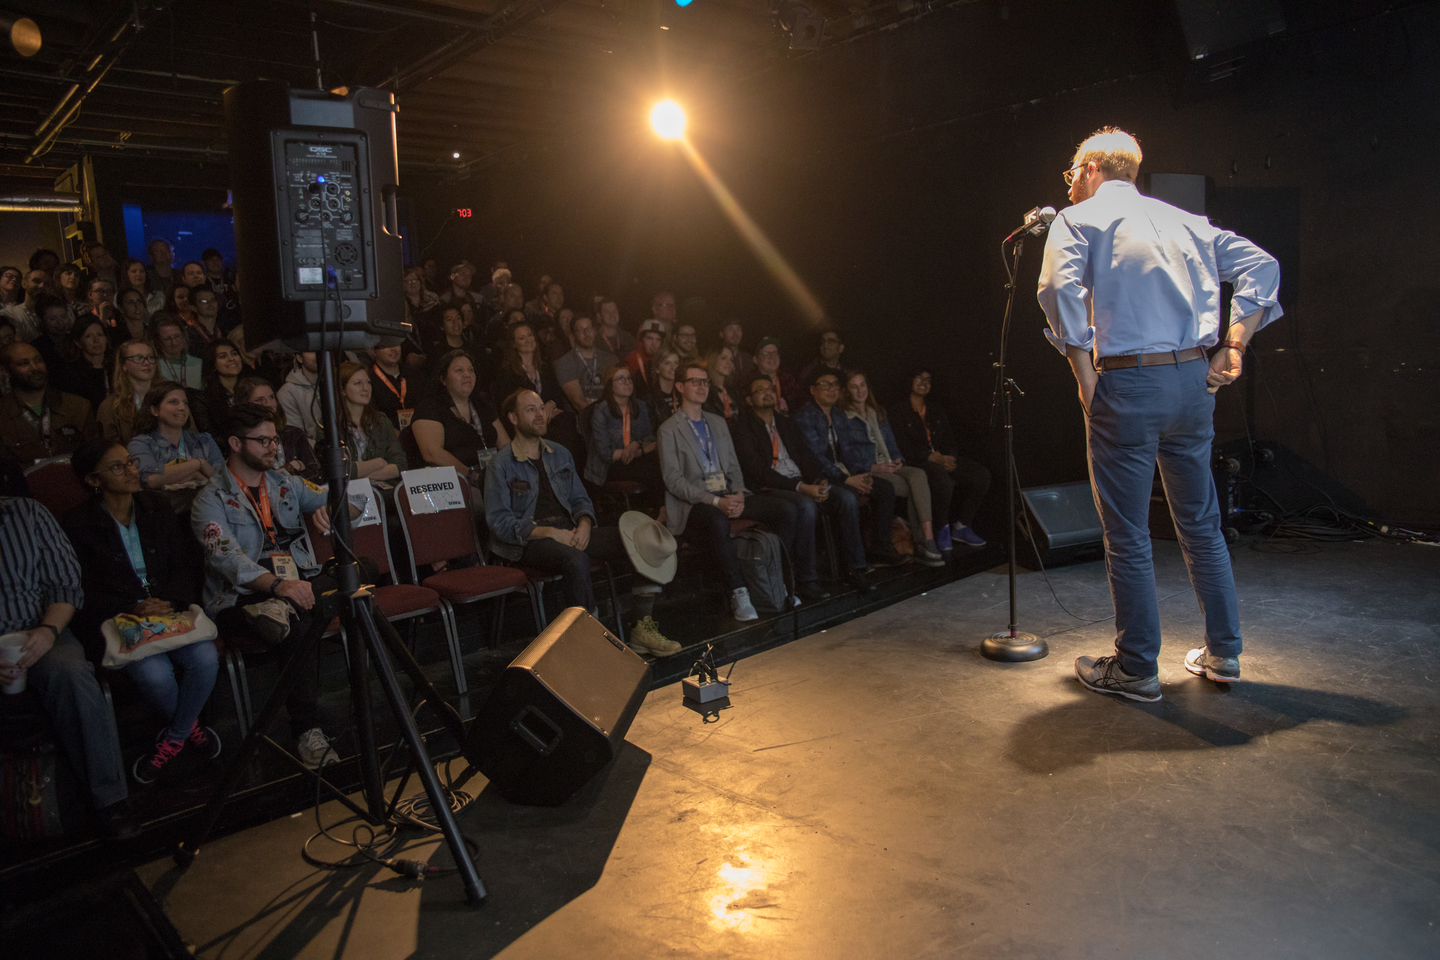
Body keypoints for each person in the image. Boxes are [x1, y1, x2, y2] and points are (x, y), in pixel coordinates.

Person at [1036, 126, 1282, 701]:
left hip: (1128, 384)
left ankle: (1137, 667)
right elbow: (1262, 267)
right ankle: (1224, 653)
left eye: (1072, 170)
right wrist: (1235, 344)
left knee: (1127, 535)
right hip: (1193, 383)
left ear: (1093, 169)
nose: (1070, 182)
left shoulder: (1078, 221)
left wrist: (1085, 377)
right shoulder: (1186, 223)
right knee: (1200, 523)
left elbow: (1056, 290)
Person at [190, 403, 339, 767]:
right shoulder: (209, 500)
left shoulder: (284, 482)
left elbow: (341, 496)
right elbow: (228, 560)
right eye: (263, 441)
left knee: (358, 571)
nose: (274, 447)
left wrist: (336, 506)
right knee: (300, 623)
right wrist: (276, 587)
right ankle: (307, 731)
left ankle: (281, 609)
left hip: (294, 585)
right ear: (235, 443)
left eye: (274, 439)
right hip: (241, 599)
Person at [63, 440, 219, 784]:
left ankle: (175, 737)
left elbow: (184, 564)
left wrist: (169, 600)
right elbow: (81, 586)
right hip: (122, 617)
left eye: (131, 462)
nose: (132, 470)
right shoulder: (79, 523)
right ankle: (191, 731)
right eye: (118, 467)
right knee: (155, 674)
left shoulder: (156, 506)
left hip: (167, 607)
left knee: (206, 658)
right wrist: (131, 606)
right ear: (93, 479)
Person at [486, 388, 680, 655]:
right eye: (530, 409)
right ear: (514, 418)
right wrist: (550, 533)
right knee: (575, 559)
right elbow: (499, 522)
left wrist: (586, 523)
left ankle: (641, 628)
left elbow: (580, 499)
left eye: (541, 407)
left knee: (639, 537)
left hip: (571, 531)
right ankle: (591, 644)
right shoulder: (501, 464)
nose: (540, 414)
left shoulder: (560, 453)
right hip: (529, 540)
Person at [0, 494, 137, 838]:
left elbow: (64, 584)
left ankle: (109, 800)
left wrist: (48, 631)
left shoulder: (27, 512)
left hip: (40, 627)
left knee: (72, 674)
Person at [658, 360, 798, 621]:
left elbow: (733, 465)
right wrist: (714, 501)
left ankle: (776, 581)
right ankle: (739, 590)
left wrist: (739, 495)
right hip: (694, 504)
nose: (702, 386)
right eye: (695, 381)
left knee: (786, 510)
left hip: (728, 495)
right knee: (717, 519)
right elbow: (674, 480)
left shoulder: (717, 422)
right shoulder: (669, 429)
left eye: (705, 381)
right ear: (679, 386)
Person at [732, 373, 874, 599]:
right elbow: (757, 472)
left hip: (802, 482)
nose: (768, 392)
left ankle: (855, 569)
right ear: (749, 400)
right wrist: (801, 487)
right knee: (806, 506)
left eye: (770, 389)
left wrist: (818, 479)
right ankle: (807, 579)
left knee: (846, 498)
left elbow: (807, 457)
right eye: (760, 390)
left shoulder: (786, 423)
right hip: (772, 487)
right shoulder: (742, 428)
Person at [795, 369, 908, 567]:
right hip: (820, 476)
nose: (831, 389)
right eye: (825, 384)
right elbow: (815, 458)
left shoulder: (838, 414)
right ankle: (855, 564)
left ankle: (880, 548)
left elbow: (848, 451)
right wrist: (846, 479)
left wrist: (861, 474)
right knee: (848, 497)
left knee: (884, 489)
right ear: (813, 389)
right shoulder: (805, 417)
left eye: (835, 384)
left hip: (845, 472)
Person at [838, 371, 944, 565]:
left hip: (889, 463)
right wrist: (875, 468)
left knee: (919, 474)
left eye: (863, 385)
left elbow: (892, 443)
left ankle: (927, 538)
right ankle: (924, 544)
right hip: (872, 469)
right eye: (854, 386)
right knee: (914, 489)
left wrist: (898, 460)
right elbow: (847, 456)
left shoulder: (877, 411)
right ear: (847, 391)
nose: (860, 390)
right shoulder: (843, 418)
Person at [888, 367, 991, 553]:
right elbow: (901, 446)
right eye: (919, 378)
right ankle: (941, 529)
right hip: (918, 461)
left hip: (941, 458)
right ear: (910, 381)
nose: (923, 383)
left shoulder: (936, 409)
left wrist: (949, 457)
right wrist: (929, 457)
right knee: (943, 481)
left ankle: (962, 526)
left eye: (927, 380)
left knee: (981, 475)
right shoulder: (898, 411)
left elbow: (950, 439)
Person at [411, 349, 509, 487]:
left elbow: (506, 445)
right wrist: (472, 477)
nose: (467, 375)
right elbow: (432, 454)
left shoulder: (482, 404)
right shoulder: (430, 407)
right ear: (443, 379)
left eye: (471, 370)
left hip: (491, 476)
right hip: (454, 482)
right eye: (459, 371)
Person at [128, 380, 225, 501]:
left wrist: (178, 475)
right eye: (173, 402)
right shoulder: (141, 443)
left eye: (185, 403)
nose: (182, 407)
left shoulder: (204, 440)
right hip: (164, 512)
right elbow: (151, 480)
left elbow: (224, 481)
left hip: (208, 508)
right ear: (154, 410)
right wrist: (198, 465)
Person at [0, 341, 96, 463]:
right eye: (24, 363)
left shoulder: (78, 406)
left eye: (38, 360)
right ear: (7, 371)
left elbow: (95, 455)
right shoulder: (3, 415)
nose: (35, 368)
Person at [328, 362, 406, 483]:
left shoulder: (381, 420)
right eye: (358, 383)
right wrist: (378, 462)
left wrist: (362, 475)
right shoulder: (331, 425)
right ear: (342, 390)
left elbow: (400, 465)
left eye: (368, 382)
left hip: (381, 491)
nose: (365, 388)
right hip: (347, 493)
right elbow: (339, 469)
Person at [585, 365, 660, 488]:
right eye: (621, 379)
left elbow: (650, 438)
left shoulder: (641, 406)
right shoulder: (601, 411)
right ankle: (658, 506)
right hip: (609, 466)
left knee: (662, 464)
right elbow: (605, 454)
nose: (627, 383)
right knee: (650, 470)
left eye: (629, 378)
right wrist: (635, 452)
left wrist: (637, 445)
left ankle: (660, 506)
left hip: (636, 458)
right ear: (610, 385)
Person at [232, 377, 320, 482]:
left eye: (271, 397)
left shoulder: (294, 434)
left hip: (297, 495)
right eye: (259, 400)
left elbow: (317, 473)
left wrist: (291, 471)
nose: (268, 404)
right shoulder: (244, 439)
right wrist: (293, 468)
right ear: (245, 404)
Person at [97, 339, 159, 444]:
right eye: (138, 358)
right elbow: (110, 450)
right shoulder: (110, 407)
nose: (147, 362)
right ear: (124, 365)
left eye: (150, 357)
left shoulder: (170, 396)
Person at [555, 314, 618, 413]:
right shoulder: (565, 362)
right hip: (581, 420)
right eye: (580, 330)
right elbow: (579, 402)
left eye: (589, 328)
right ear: (574, 335)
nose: (586, 333)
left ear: (595, 331)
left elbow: (619, 392)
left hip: (611, 414)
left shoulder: (610, 359)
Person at [55, 316, 113, 412]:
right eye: (88, 336)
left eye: (100, 335)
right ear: (78, 343)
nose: (96, 340)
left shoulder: (116, 365)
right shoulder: (71, 374)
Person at [193, 339, 246, 436]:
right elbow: (209, 436)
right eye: (223, 356)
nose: (231, 359)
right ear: (213, 364)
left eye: (234, 354)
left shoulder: (251, 389)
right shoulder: (204, 399)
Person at [421, 303, 481, 383]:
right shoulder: (435, 353)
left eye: (458, 318)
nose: (455, 323)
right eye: (449, 319)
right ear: (442, 326)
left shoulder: (474, 350)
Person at [365, 338, 412, 430]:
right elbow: (372, 416)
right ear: (373, 352)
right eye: (386, 345)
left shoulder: (414, 375)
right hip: (386, 436)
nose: (393, 349)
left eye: (396, 344)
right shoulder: (367, 381)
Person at [277, 351, 322, 442]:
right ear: (299, 358)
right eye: (311, 351)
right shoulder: (288, 392)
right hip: (312, 453)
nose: (317, 355)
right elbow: (295, 438)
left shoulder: (334, 385)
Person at [152, 315, 203, 389]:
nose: (174, 342)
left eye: (177, 336)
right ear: (158, 341)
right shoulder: (154, 366)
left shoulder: (199, 364)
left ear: (183, 336)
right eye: (168, 339)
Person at [29, 293, 78, 370]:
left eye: (64, 317)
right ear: (42, 321)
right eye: (53, 319)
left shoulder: (76, 342)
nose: (60, 322)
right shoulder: (37, 347)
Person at [1, 267, 51, 342]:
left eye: (47, 284)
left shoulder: (59, 312)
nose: (42, 286)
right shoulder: (7, 314)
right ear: (24, 284)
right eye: (37, 281)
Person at [753, 337, 799, 414]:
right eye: (766, 353)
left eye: (775, 353)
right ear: (755, 359)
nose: (772, 357)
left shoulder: (788, 380)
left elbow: (800, 405)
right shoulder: (749, 383)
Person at [796, 329, 847, 397]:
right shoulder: (809, 371)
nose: (825, 346)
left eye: (830, 341)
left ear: (841, 348)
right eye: (823, 341)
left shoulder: (846, 373)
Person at [701, 345, 740, 423]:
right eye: (723, 358)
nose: (729, 363)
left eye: (731, 359)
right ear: (713, 360)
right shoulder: (704, 389)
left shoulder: (733, 390)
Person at [644, 347, 681, 427]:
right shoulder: (649, 397)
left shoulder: (683, 393)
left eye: (676, 363)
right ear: (657, 369)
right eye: (667, 363)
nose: (673, 367)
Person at [624, 319, 666, 390]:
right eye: (649, 338)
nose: (654, 344)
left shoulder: (666, 360)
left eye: (658, 339)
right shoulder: (631, 360)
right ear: (641, 339)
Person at [184, 285, 224, 356]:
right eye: (204, 301)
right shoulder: (189, 335)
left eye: (213, 300)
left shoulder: (224, 330)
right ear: (193, 307)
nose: (210, 304)